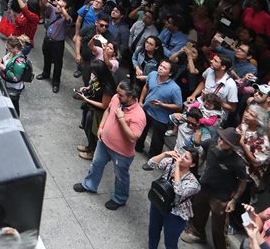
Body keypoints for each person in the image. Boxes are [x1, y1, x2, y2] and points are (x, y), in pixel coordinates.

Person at [73, 80, 146, 210]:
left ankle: (119, 198)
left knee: (120, 176)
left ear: (131, 96)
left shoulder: (139, 115)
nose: (117, 96)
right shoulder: (116, 98)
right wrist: (101, 127)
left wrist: (121, 119)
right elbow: (107, 110)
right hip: (104, 143)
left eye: (121, 95)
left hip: (121, 152)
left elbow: (133, 137)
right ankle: (89, 185)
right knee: (96, 164)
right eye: (117, 93)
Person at [182, 128, 252, 248]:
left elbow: (243, 181)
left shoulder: (237, 162)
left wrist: (234, 200)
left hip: (221, 196)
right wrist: (194, 171)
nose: (221, 142)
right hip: (204, 187)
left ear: (231, 146)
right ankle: (198, 234)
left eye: (225, 142)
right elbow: (203, 155)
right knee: (198, 212)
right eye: (221, 138)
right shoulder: (211, 143)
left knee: (218, 228)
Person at [148, 147, 203, 249]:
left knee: (170, 242)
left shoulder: (194, 183)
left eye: (186, 158)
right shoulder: (171, 163)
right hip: (160, 202)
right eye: (182, 154)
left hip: (176, 214)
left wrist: (177, 167)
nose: (181, 158)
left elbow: (178, 191)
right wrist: (164, 154)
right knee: (153, 231)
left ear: (192, 164)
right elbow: (150, 164)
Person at [139, 59, 184, 164]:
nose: (160, 68)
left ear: (170, 73)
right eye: (160, 65)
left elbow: (178, 106)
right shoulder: (153, 74)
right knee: (141, 130)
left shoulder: (175, 88)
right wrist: (141, 101)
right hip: (147, 109)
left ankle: (153, 160)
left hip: (161, 117)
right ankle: (138, 147)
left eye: (164, 68)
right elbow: (146, 86)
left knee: (157, 140)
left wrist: (163, 105)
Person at [38, 0, 71, 92]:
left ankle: (56, 82)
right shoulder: (53, 10)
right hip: (48, 39)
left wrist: (61, 7)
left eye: (61, 6)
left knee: (57, 63)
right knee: (46, 57)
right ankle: (45, 73)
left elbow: (67, 18)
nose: (58, 7)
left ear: (67, 9)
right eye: (58, 5)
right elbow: (44, 3)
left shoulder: (67, 18)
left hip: (58, 43)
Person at [0, 35, 31, 115]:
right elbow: (7, 61)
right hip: (6, 82)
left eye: (9, 48)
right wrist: (1, 61)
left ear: (15, 47)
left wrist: (4, 69)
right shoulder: (11, 52)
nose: (8, 49)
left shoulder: (19, 61)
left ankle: (15, 118)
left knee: (14, 106)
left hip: (13, 86)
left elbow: (16, 78)